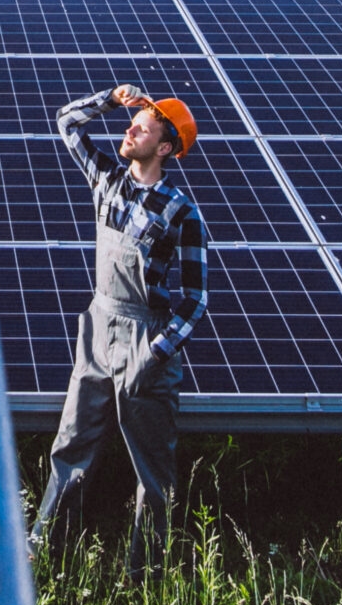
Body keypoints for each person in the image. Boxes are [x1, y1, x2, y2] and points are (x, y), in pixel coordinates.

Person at [28, 82, 207, 574]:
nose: (129, 131)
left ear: (164, 149)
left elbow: (196, 300)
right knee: (71, 445)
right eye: (132, 124)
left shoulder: (182, 213)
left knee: (152, 470)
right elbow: (66, 121)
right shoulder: (106, 179)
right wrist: (109, 99)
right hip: (97, 327)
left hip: (145, 338)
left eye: (142, 129)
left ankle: (146, 577)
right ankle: (43, 556)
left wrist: (155, 353)